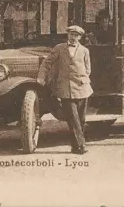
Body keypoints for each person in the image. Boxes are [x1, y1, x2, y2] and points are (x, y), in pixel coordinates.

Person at [38, 25, 92, 154]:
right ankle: (81, 145)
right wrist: (41, 77)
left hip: (82, 88)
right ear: (68, 35)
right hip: (65, 88)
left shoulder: (85, 51)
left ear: (80, 37)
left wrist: (82, 78)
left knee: (81, 119)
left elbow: (88, 69)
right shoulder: (59, 48)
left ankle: (74, 146)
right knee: (73, 118)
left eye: (76, 35)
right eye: (71, 34)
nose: (73, 38)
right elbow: (47, 63)